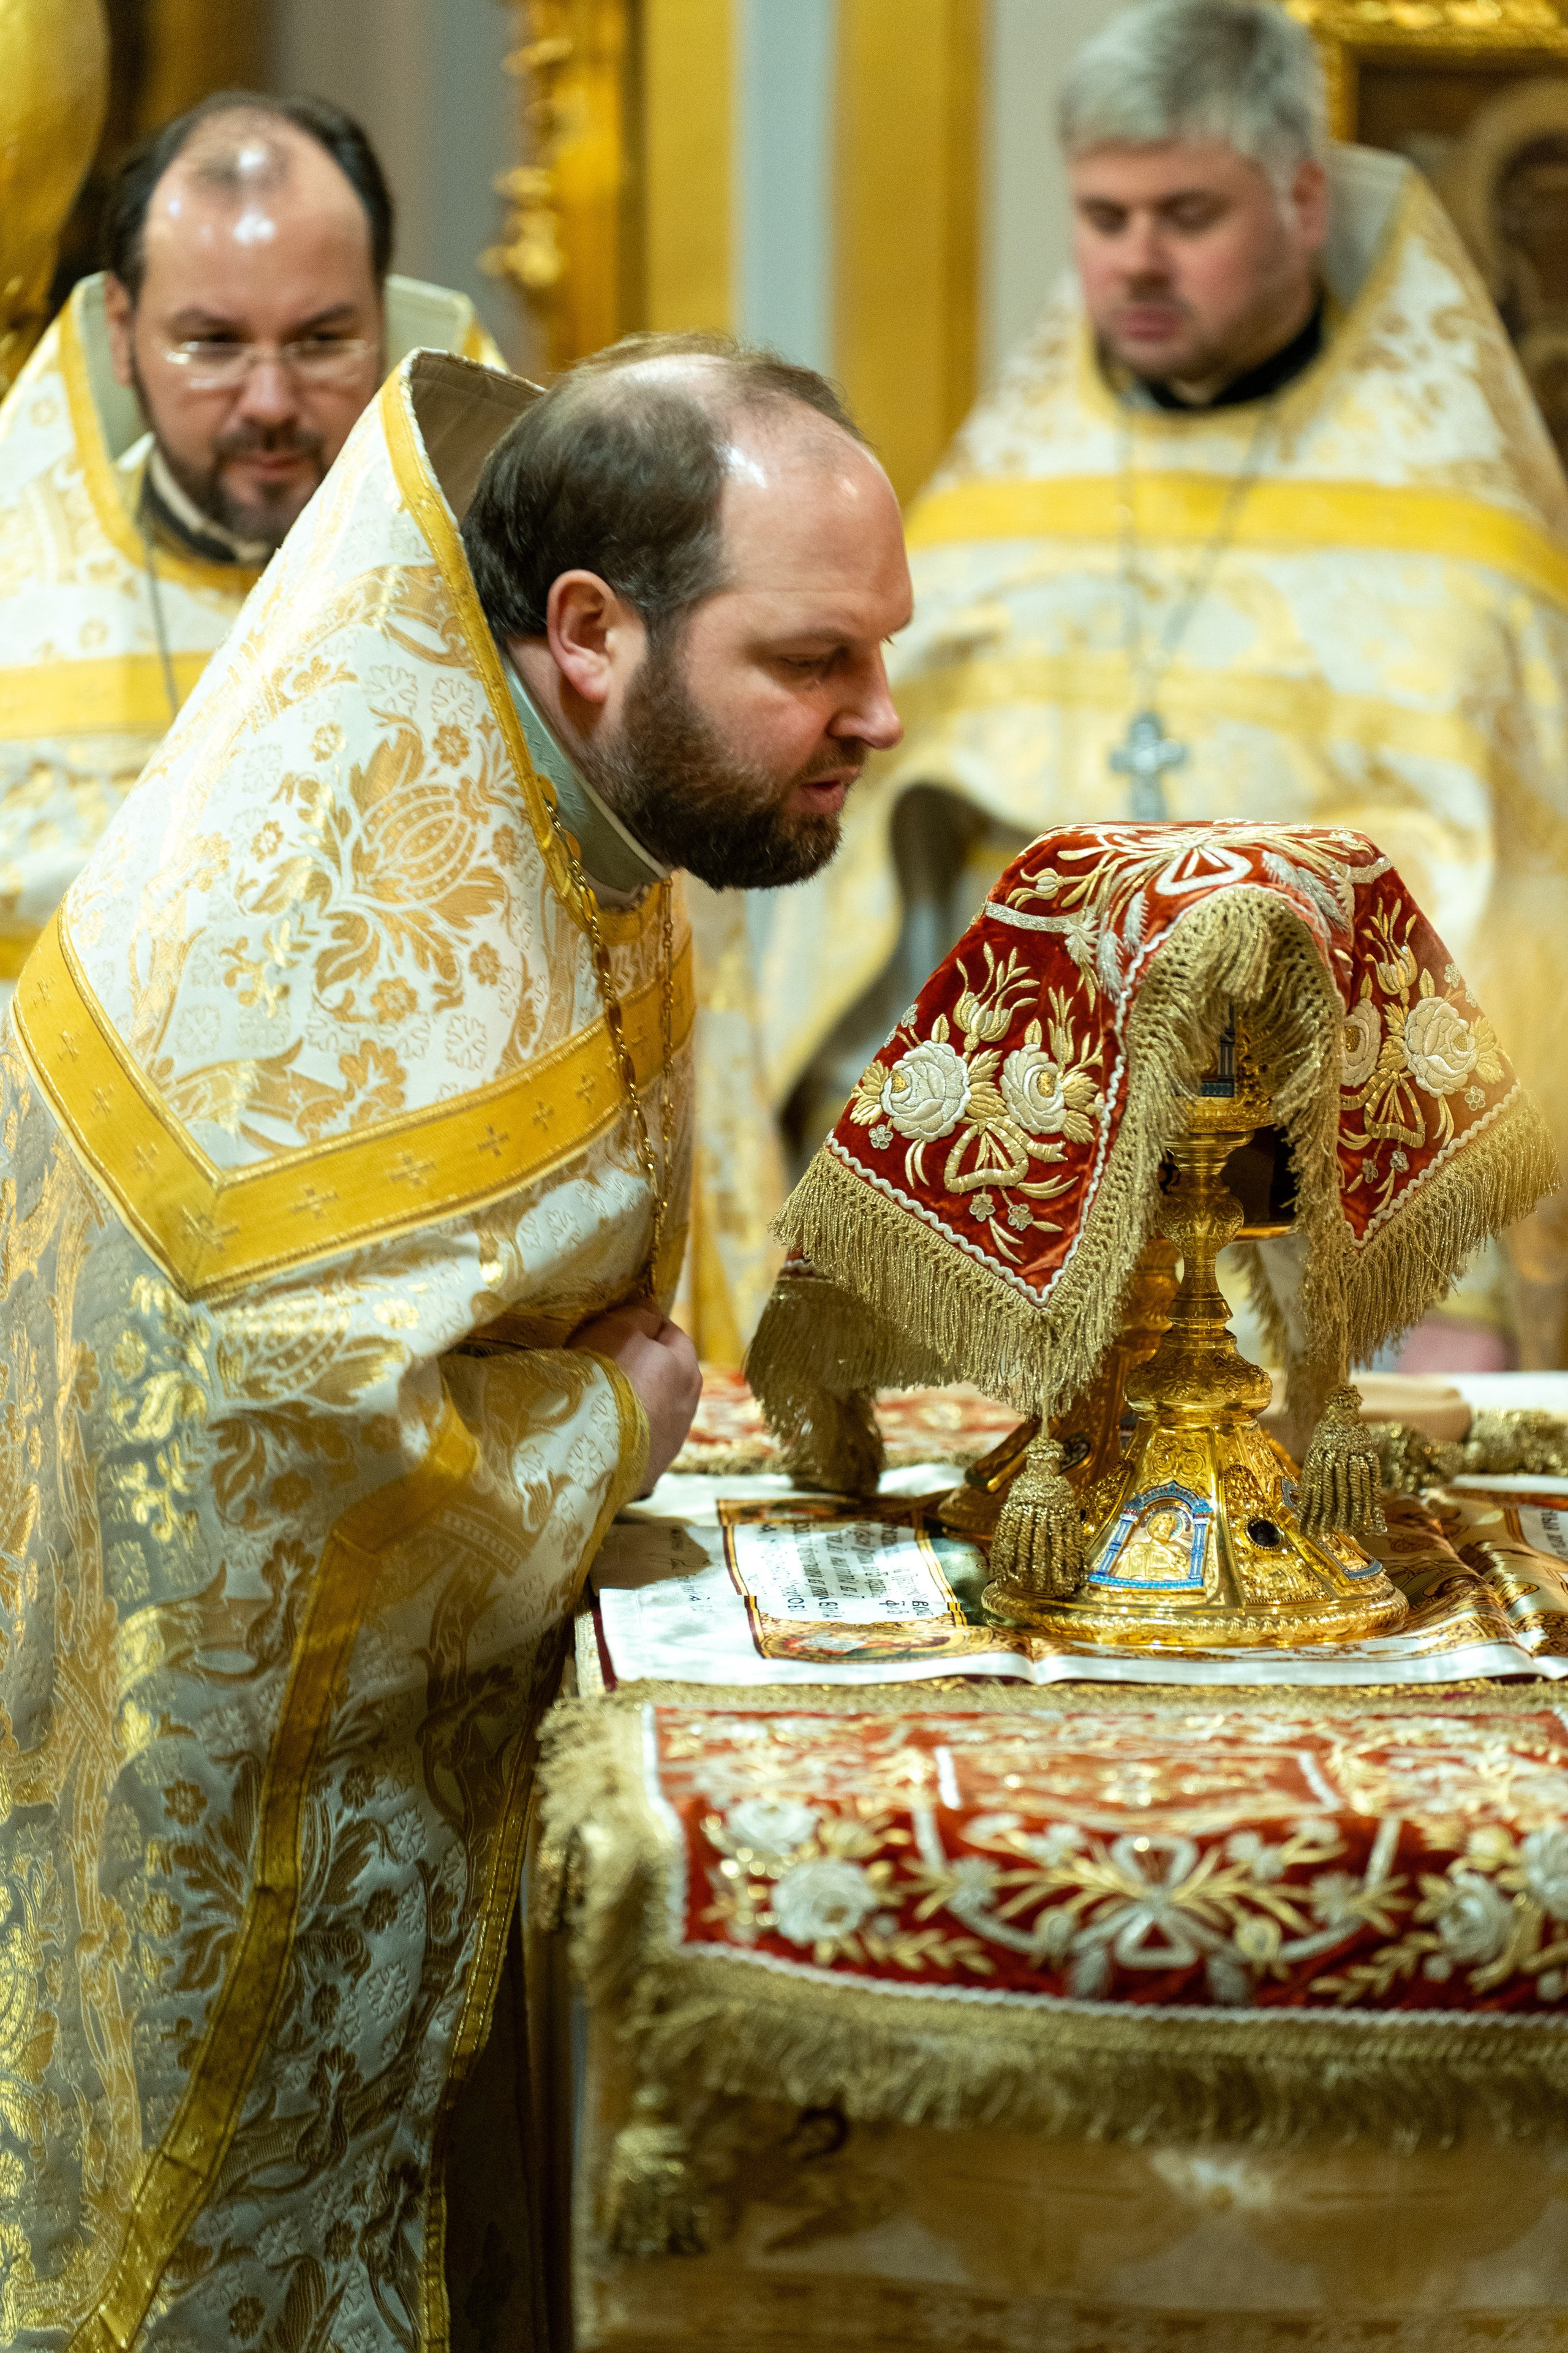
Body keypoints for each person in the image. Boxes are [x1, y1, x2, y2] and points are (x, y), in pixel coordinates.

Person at [0, 328, 907, 2346]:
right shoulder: (297, 918)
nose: (882, 714)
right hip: (226, 1866)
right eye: (814, 661)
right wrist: (608, 1423)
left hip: (433, 1789)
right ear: (591, 629)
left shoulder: (557, 777)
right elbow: (271, 1416)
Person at [760, 0, 1568, 1365]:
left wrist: (1468, 1293)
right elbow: (879, 918)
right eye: (1101, 215)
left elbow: (1508, 929)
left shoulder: (1465, 553)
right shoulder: (990, 520)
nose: (1131, 260)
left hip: (1343, 1248)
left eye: (1185, 214)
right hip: (1031, 1225)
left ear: (1302, 201)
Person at [0, 89, 498, 1000]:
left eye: (321, 341)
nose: (269, 401)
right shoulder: (15, 607)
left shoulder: (518, 603)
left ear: (382, 323)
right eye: (213, 344)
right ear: (122, 332)